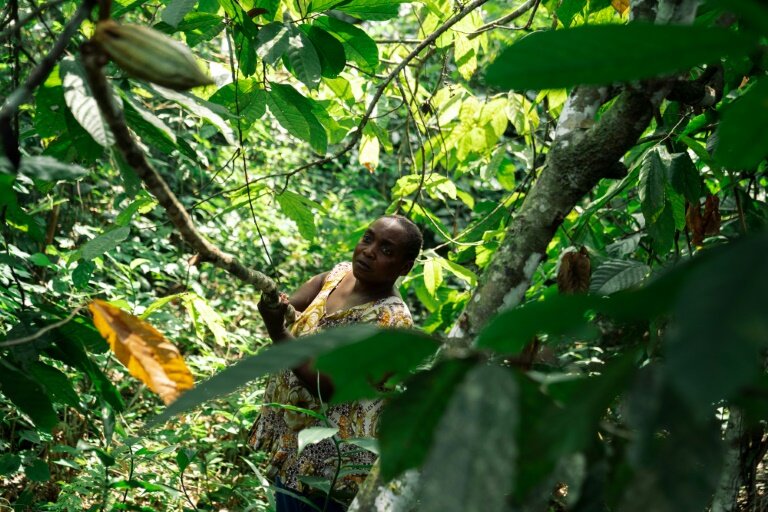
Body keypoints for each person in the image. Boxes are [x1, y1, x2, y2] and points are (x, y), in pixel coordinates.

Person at [250, 215, 422, 512]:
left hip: (329, 463)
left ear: (404, 268)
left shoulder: (389, 320)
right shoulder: (338, 275)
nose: (369, 251)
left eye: (386, 250)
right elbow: (294, 307)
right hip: (295, 439)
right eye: (368, 239)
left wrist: (278, 332)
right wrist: (275, 306)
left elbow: (331, 387)